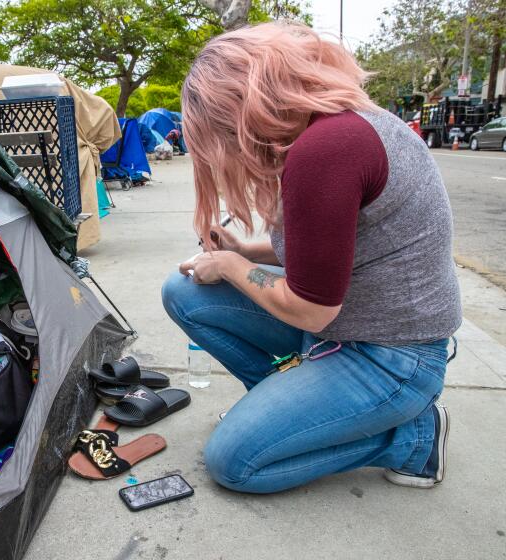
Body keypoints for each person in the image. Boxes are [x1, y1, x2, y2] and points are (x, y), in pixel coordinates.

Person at [161, 22, 460, 494]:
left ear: (241, 110)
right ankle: (283, 413)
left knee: (234, 464)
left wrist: (231, 266)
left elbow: (312, 309)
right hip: (356, 329)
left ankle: (412, 438)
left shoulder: (326, 150)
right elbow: (322, 250)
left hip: (393, 358)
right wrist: (242, 250)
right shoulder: (341, 128)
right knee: (186, 291)